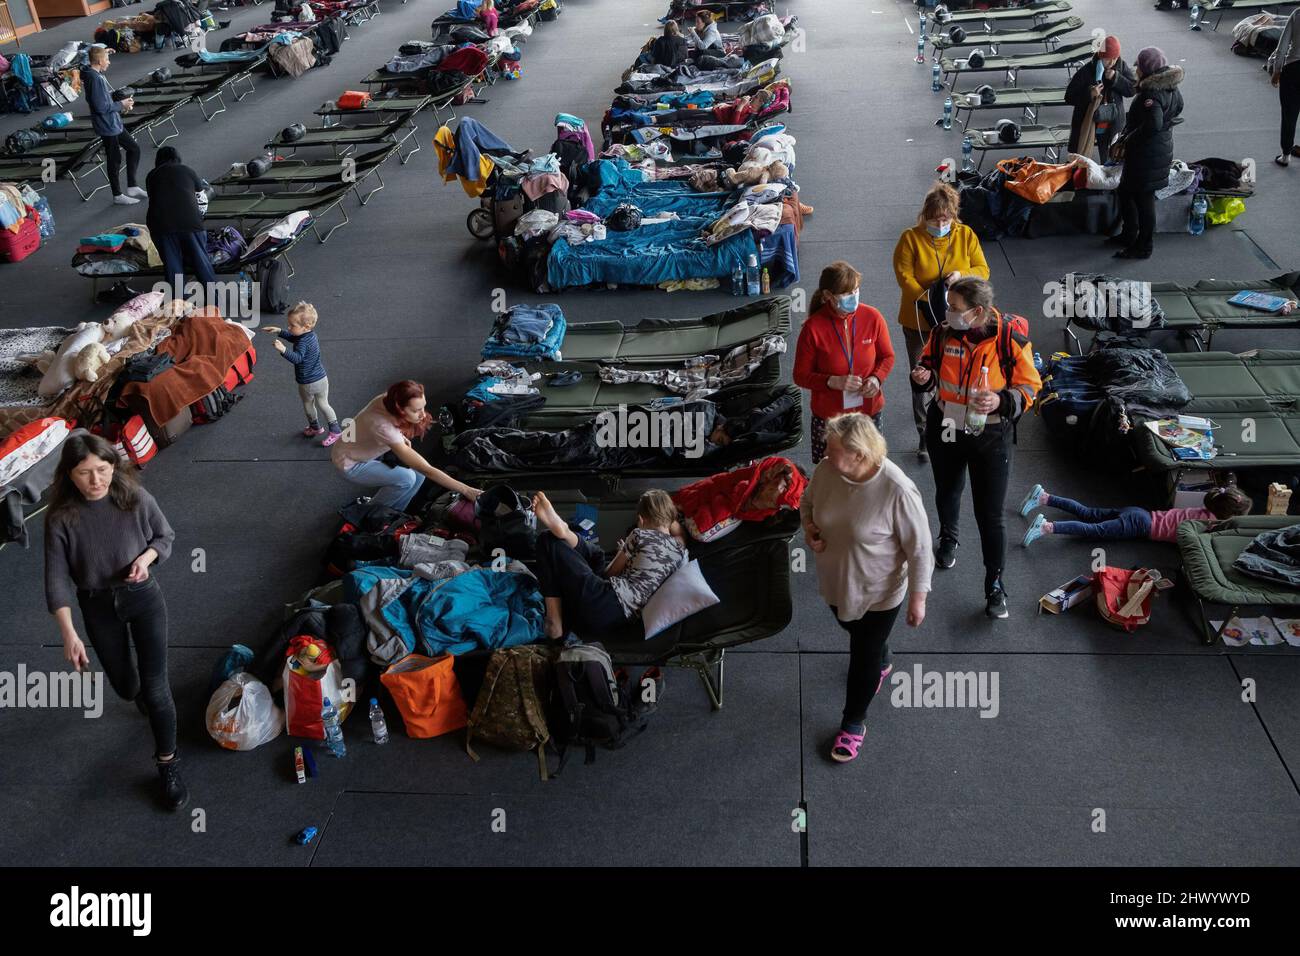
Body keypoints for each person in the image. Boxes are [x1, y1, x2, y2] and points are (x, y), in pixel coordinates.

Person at [43, 433, 188, 811]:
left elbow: (164, 535)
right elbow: (56, 579)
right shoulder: (61, 518)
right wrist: (68, 634)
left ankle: (168, 763)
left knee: (157, 689)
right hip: (96, 606)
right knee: (127, 687)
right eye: (85, 473)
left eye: (103, 470)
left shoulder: (135, 498)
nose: (96, 481)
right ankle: (138, 694)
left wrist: (147, 558)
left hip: (144, 599)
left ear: (114, 467)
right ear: (69, 475)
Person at [800, 414, 932, 763]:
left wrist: (918, 597)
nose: (825, 454)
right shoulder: (828, 471)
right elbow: (808, 503)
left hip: (879, 593)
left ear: (859, 454)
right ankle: (882, 655)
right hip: (837, 583)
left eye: (833, 450)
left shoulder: (897, 489)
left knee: (862, 655)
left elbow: (919, 548)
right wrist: (810, 530)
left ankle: (852, 724)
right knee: (849, 626)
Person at [909, 277, 1041, 619]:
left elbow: (1030, 388)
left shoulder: (1009, 338)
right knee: (947, 490)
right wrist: (921, 375)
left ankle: (995, 584)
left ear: (977, 312)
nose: (948, 312)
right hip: (947, 425)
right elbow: (927, 365)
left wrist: (1000, 400)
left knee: (990, 514)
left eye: (954, 308)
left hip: (990, 435)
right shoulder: (942, 333)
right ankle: (949, 537)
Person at [892, 182, 990, 462]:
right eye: (934, 218)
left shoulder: (966, 236)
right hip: (918, 321)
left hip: (958, 321)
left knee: (953, 375)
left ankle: (950, 427)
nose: (940, 222)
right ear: (925, 215)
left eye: (945, 217)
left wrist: (961, 274)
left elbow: (982, 269)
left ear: (954, 215)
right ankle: (923, 431)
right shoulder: (909, 238)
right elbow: (904, 276)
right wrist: (926, 298)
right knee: (920, 375)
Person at [530, 489, 687, 639]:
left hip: (602, 601)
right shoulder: (680, 549)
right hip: (621, 619)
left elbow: (608, 573)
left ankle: (554, 622)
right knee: (598, 555)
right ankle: (565, 532)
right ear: (671, 518)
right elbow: (679, 532)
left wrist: (622, 551)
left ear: (641, 519)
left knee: (548, 540)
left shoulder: (639, 534)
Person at [793, 260, 895, 464]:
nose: (854, 297)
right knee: (832, 475)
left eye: (856, 290)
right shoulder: (812, 328)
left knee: (871, 468)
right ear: (828, 296)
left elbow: (887, 356)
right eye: (847, 293)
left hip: (868, 411)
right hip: (830, 418)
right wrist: (831, 381)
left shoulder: (873, 317)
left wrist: (876, 378)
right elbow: (800, 376)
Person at [331, 380, 482, 511]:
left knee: (418, 476)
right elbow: (427, 469)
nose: (423, 414)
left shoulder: (388, 399)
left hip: (362, 449)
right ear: (399, 409)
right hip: (350, 463)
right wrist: (466, 490)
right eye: (416, 410)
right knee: (407, 479)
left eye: (423, 407)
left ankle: (394, 512)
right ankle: (371, 513)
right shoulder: (383, 427)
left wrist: (400, 436)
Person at [1111, 47, 1184, 260]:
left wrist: (1130, 138)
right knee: (1126, 191)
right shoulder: (1170, 86)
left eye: (1138, 66)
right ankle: (1129, 234)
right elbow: (1178, 108)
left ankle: (1143, 246)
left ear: (1146, 69)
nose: (1135, 69)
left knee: (1143, 200)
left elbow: (1153, 124)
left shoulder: (1150, 94)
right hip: (1158, 150)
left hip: (1146, 154)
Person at [1019, 482, 1251, 546]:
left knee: (1088, 513)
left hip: (1140, 513)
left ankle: (1044, 497)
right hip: (1140, 526)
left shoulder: (1203, 509)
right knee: (1094, 531)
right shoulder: (1208, 524)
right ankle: (1047, 527)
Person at [260, 302, 341, 446]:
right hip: (321, 378)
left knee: (309, 404)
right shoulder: (310, 335)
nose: (289, 328)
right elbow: (294, 337)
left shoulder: (303, 341)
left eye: (292, 325)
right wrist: (279, 330)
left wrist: (283, 350)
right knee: (324, 403)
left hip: (308, 382)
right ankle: (333, 429)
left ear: (306, 326)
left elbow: (297, 358)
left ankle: (320, 428)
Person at [145, 145, 216, 295]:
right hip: (190, 222)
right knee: (201, 263)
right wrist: (199, 217)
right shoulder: (188, 171)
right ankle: (214, 303)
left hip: (160, 225)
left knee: (173, 268)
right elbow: (202, 200)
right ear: (177, 158)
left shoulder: (152, 175)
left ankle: (179, 310)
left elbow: (156, 198)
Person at [81, 45, 145, 207]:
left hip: (113, 123)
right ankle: (117, 195)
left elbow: (103, 100)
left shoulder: (94, 73)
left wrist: (105, 52)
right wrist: (121, 105)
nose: (109, 62)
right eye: (107, 59)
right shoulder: (94, 79)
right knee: (114, 159)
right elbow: (100, 107)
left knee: (134, 148)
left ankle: (132, 186)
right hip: (107, 125)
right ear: (100, 61)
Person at [1064, 35, 1135, 164]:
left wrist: (1116, 78)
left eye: (1115, 58)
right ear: (1101, 56)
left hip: (1112, 120)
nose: (1112, 62)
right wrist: (1089, 94)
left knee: (1111, 154)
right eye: (1109, 59)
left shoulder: (1121, 66)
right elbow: (1069, 97)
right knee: (1081, 154)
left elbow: (1131, 90)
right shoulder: (1086, 71)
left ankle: (1108, 176)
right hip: (1088, 119)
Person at [1271, 9, 1300, 167]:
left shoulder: (1297, 14)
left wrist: (1277, 70)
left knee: (1289, 114)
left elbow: (1283, 45)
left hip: (1294, 69)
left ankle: (1286, 155)